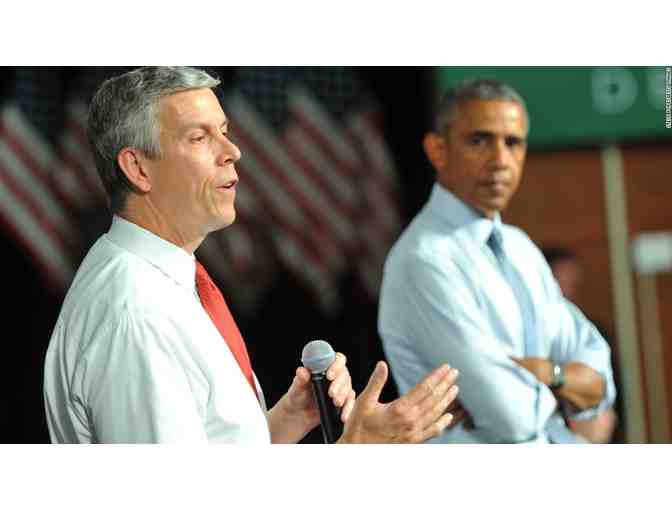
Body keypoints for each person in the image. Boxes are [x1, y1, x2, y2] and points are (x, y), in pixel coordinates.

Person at [43, 67, 460, 444]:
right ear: (137, 168)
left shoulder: (155, 278)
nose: (233, 151)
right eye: (199, 137)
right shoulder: (137, 314)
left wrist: (280, 424)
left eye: (224, 131)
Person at [378, 79, 616, 443]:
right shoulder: (424, 260)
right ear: (437, 150)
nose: (500, 160)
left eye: (513, 142)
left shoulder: (520, 248)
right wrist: (565, 388)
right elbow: (512, 416)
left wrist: (547, 374)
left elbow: (601, 383)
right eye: (479, 141)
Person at [542, 246, 620, 443]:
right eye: (561, 283)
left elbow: (613, 399)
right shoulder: (531, 336)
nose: (568, 291)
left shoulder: (595, 334)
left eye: (572, 283)